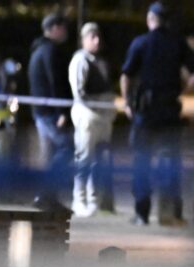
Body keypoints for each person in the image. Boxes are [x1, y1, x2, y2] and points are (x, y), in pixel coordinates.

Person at [120, 2, 194, 226]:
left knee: (141, 161)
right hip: (170, 111)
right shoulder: (178, 42)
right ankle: (172, 212)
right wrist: (181, 90)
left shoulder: (141, 43)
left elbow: (126, 75)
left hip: (145, 113)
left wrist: (127, 103)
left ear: (150, 20)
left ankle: (141, 213)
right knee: (171, 161)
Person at [68, 22, 116, 217]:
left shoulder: (100, 60)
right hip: (88, 116)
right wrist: (100, 105)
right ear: (83, 39)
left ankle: (93, 199)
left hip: (102, 117)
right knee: (84, 158)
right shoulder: (80, 60)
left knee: (98, 160)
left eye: (97, 36)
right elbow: (79, 92)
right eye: (91, 37)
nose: (96, 41)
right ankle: (79, 200)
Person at [28, 11, 73, 208]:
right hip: (51, 113)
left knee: (49, 154)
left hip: (40, 111)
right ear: (54, 28)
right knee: (66, 148)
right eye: (63, 27)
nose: (65, 31)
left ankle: (47, 196)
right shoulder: (51, 51)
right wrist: (62, 111)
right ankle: (45, 192)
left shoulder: (37, 50)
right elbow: (56, 81)